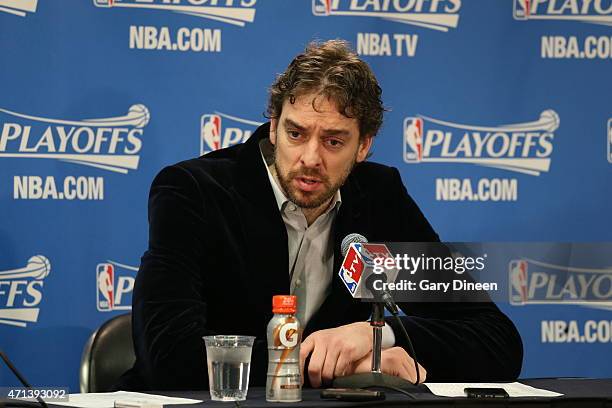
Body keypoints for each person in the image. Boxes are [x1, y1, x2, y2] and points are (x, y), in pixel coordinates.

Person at [117, 40, 523, 391]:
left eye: (333, 140)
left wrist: (379, 337)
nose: (310, 159)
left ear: (363, 146)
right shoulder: (193, 192)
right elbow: (170, 358)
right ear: (273, 127)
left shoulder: (379, 196)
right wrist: (344, 368)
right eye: (296, 134)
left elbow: (496, 341)